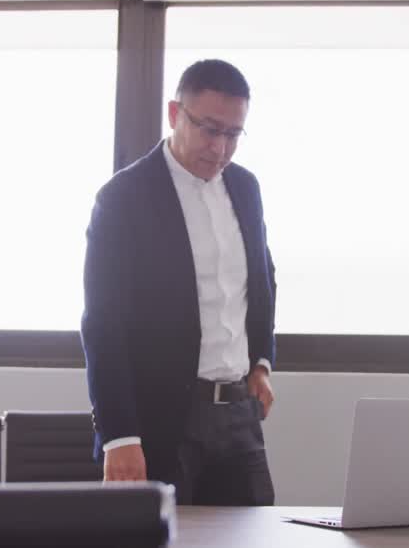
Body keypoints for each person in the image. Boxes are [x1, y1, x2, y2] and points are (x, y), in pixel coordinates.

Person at [81, 59, 277, 506]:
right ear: (174, 114)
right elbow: (103, 325)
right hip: (163, 420)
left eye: (234, 134)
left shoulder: (246, 189)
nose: (220, 148)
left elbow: (262, 280)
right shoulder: (122, 199)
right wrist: (119, 435)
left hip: (239, 414)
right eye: (210, 129)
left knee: (257, 543)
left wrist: (261, 363)